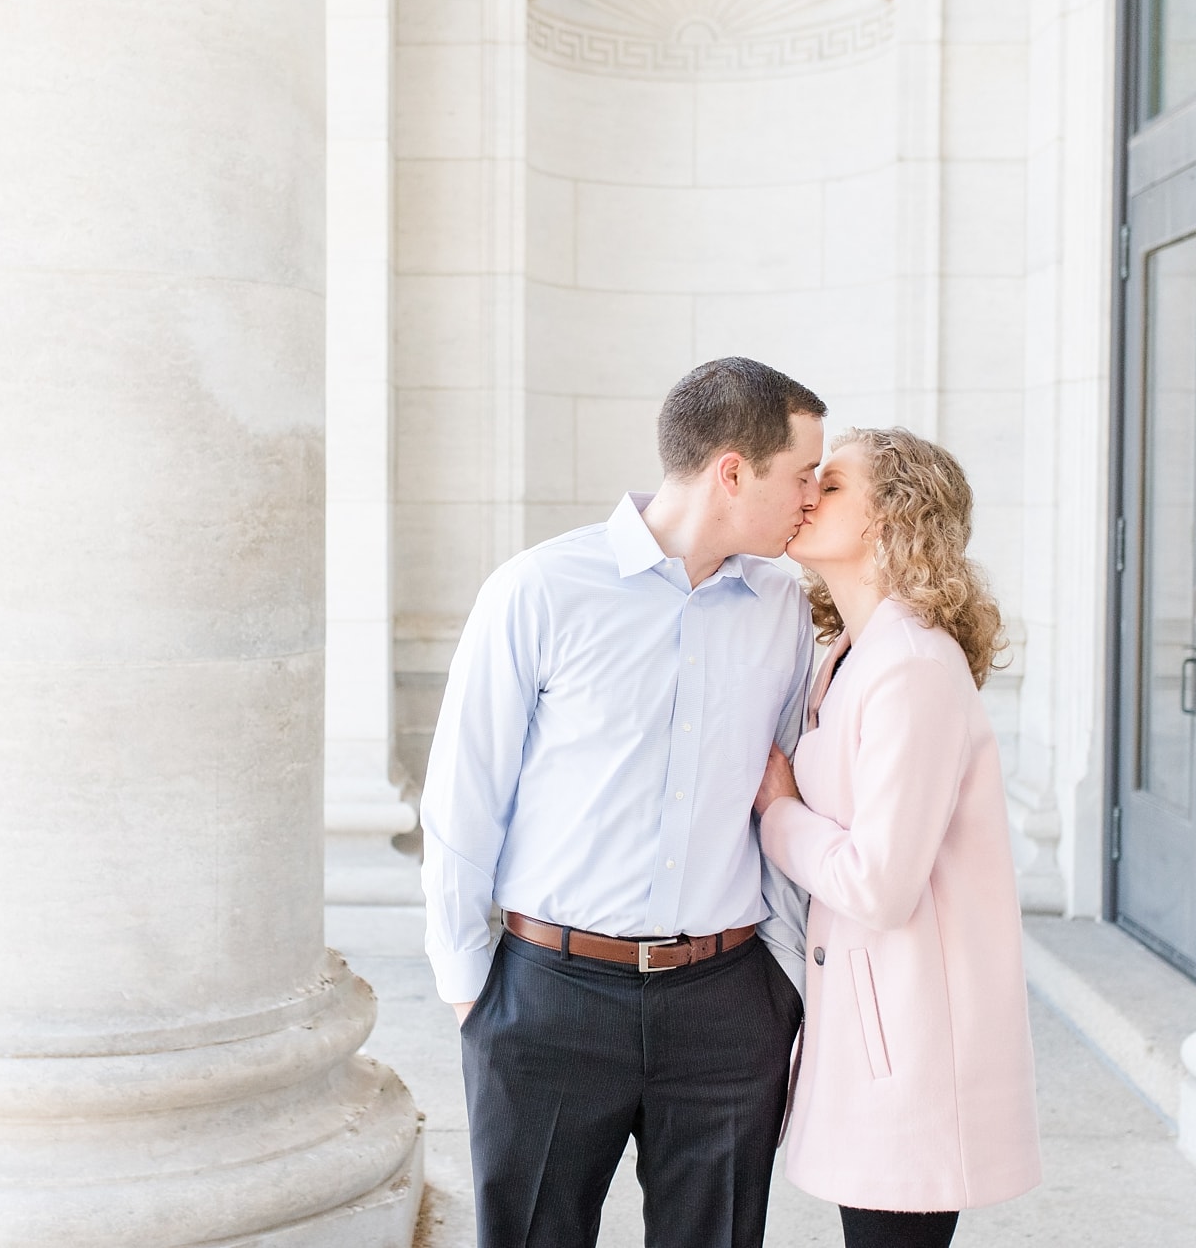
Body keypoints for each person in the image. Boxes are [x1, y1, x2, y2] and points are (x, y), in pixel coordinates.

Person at [420, 357, 827, 1248]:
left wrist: (782, 983)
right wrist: (473, 998)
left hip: (727, 1009)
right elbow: (463, 794)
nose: (812, 499)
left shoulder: (782, 609)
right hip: (548, 1001)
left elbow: (789, 785)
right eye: (801, 475)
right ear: (732, 471)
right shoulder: (538, 589)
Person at [754, 427, 1041, 1248]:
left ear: (891, 517)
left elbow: (880, 883)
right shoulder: (847, 654)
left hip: (914, 1043)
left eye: (833, 485)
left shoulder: (912, 665)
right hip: (870, 1027)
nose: (807, 496)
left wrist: (779, 812)